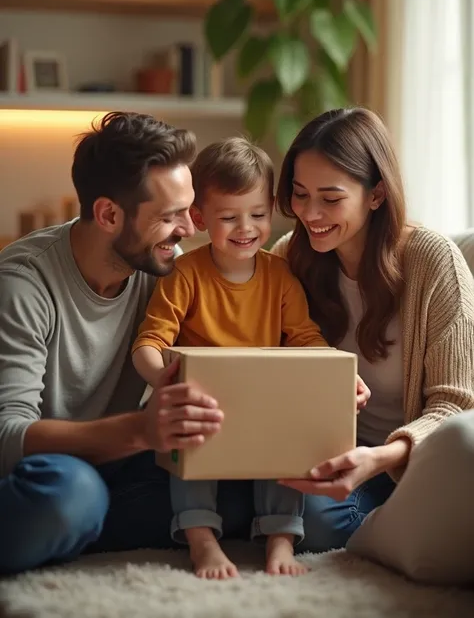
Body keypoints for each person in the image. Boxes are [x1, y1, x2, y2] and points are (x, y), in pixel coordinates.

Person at [0, 112, 235, 575]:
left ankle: (77, 531)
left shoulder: (164, 269)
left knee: (244, 490)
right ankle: (72, 523)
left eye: (188, 211)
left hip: (118, 469)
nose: (189, 229)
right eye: (170, 217)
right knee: (72, 495)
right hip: (42, 477)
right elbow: (7, 437)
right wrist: (140, 430)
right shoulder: (23, 285)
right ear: (109, 214)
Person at [270, 106, 474, 584]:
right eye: (300, 195)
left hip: (403, 464)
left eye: (330, 198)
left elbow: (456, 407)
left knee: (318, 521)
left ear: (376, 194)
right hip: (324, 448)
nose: (310, 214)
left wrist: (379, 457)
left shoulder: (432, 261)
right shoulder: (292, 256)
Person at [132, 138, 330, 580]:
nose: (246, 228)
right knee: (191, 423)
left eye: (258, 215)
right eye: (228, 217)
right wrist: (167, 380)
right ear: (199, 219)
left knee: (289, 424)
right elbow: (149, 341)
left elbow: (305, 338)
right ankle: (201, 538)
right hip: (201, 399)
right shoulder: (185, 273)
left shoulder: (280, 276)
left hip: (260, 403)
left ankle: (280, 537)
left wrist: (334, 375)